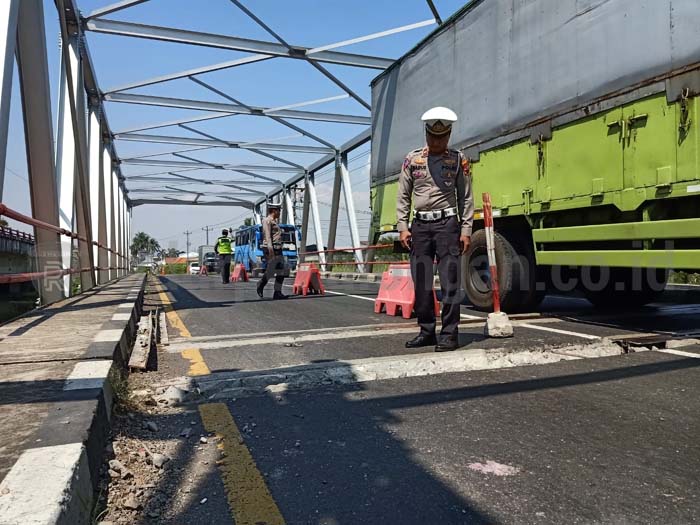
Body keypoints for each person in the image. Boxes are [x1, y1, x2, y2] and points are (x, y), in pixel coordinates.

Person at [396, 106, 474, 352]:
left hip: (447, 225)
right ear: (426, 134)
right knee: (421, 281)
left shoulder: (458, 159)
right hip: (419, 227)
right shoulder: (413, 159)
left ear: (449, 136)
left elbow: (466, 197)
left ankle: (450, 334)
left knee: (450, 282)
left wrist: (466, 230)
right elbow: (403, 195)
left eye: (442, 137)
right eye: (433, 137)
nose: (438, 141)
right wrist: (402, 227)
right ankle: (426, 330)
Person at [256, 202, 288, 300]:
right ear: (274, 210)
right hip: (271, 249)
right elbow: (267, 236)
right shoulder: (267, 220)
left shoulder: (274, 221)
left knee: (282, 271)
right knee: (271, 271)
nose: (279, 212)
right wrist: (271, 251)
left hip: (278, 249)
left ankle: (277, 292)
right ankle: (261, 284)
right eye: (279, 210)